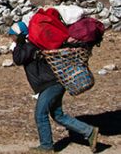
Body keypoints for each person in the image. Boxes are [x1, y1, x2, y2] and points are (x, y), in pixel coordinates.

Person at [10, 22, 99, 153]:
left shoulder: (30, 46)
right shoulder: (31, 44)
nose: (11, 38)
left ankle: (46, 147)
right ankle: (89, 131)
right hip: (55, 83)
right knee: (58, 115)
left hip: (51, 84)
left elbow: (18, 59)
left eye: (12, 36)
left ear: (19, 35)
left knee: (40, 114)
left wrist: (18, 44)